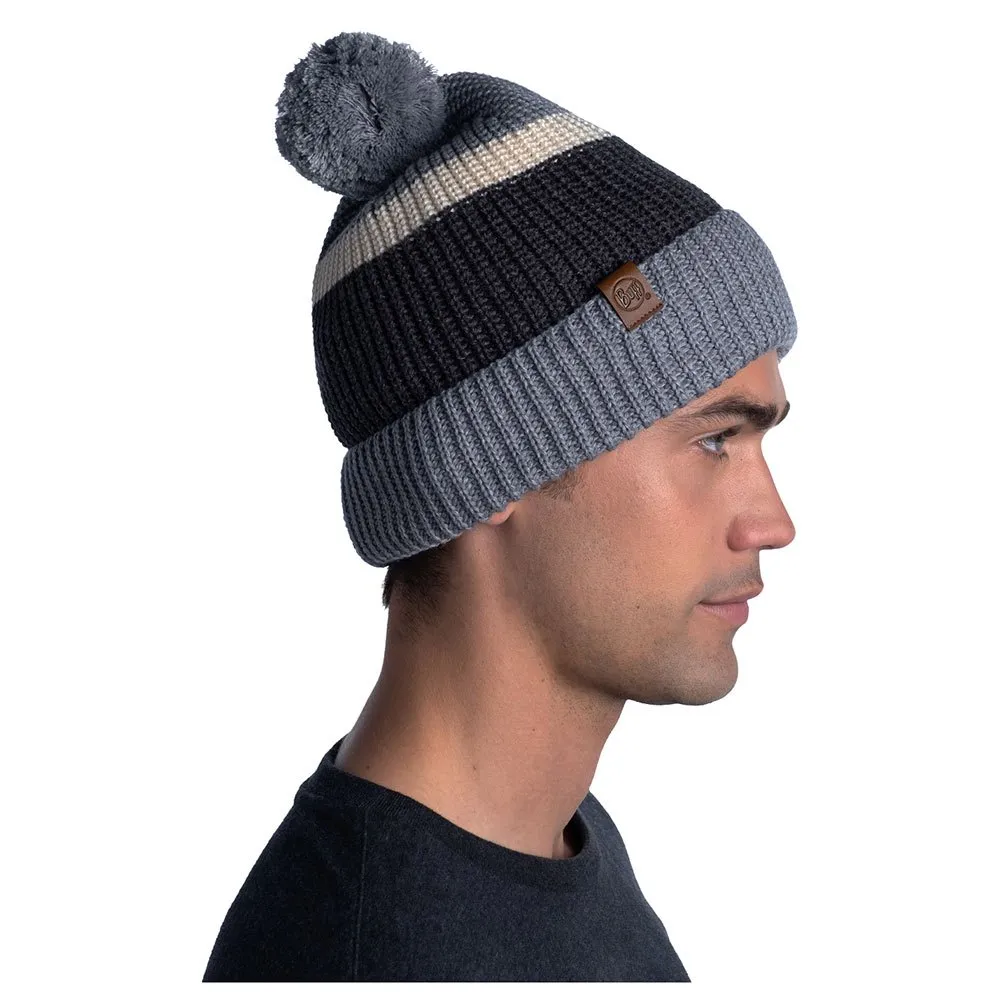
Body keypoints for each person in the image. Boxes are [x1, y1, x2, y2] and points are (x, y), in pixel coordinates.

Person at [203, 29, 797, 983]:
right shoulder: (374, 956)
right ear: (490, 467)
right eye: (714, 440)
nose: (772, 523)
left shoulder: (551, 842)